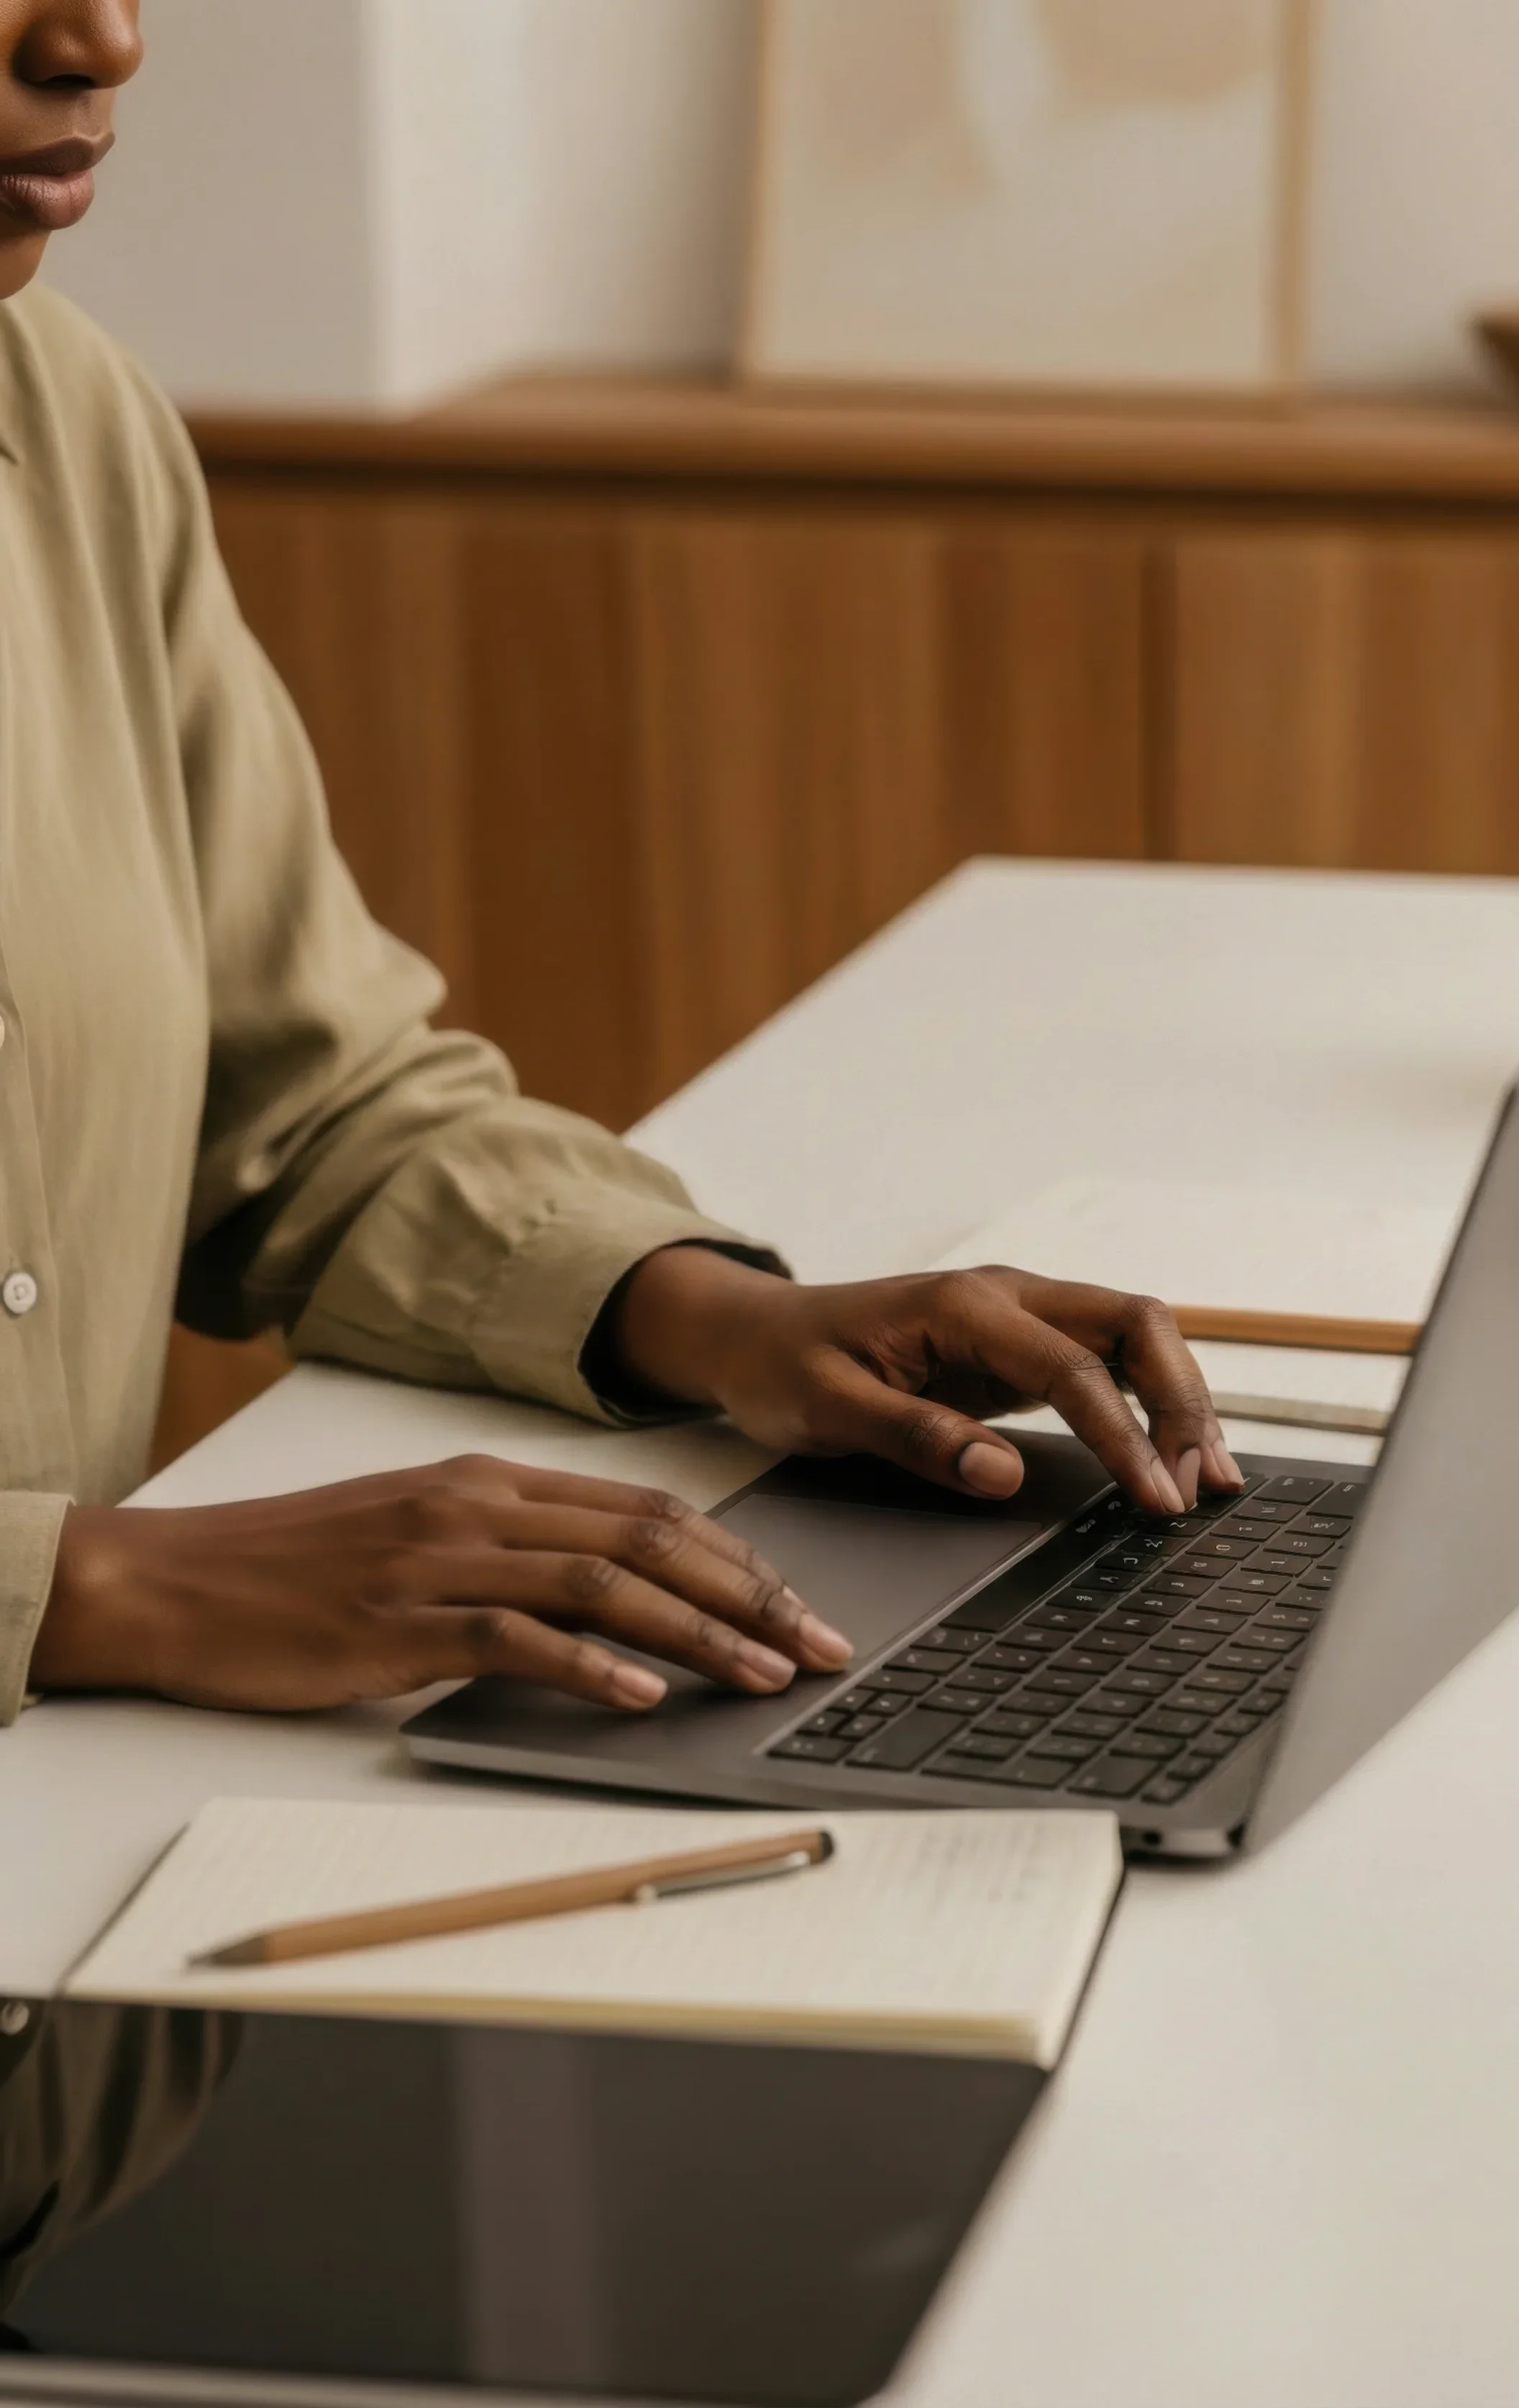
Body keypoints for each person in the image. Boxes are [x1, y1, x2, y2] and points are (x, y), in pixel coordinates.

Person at [0, 0, 1237, 1732]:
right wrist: (97, 1583)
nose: (101, 39)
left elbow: (314, 1112)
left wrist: (723, 1322)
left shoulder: (71, 426)